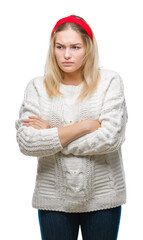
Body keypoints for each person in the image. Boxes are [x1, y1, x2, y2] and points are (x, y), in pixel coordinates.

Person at [15, 15, 128, 240]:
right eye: (60, 47)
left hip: (103, 197)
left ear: (88, 48)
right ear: (53, 48)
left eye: (75, 47)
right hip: (53, 199)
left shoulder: (109, 82)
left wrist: (52, 135)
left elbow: (111, 137)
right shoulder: (37, 87)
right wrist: (84, 126)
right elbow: (27, 142)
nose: (67, 55)